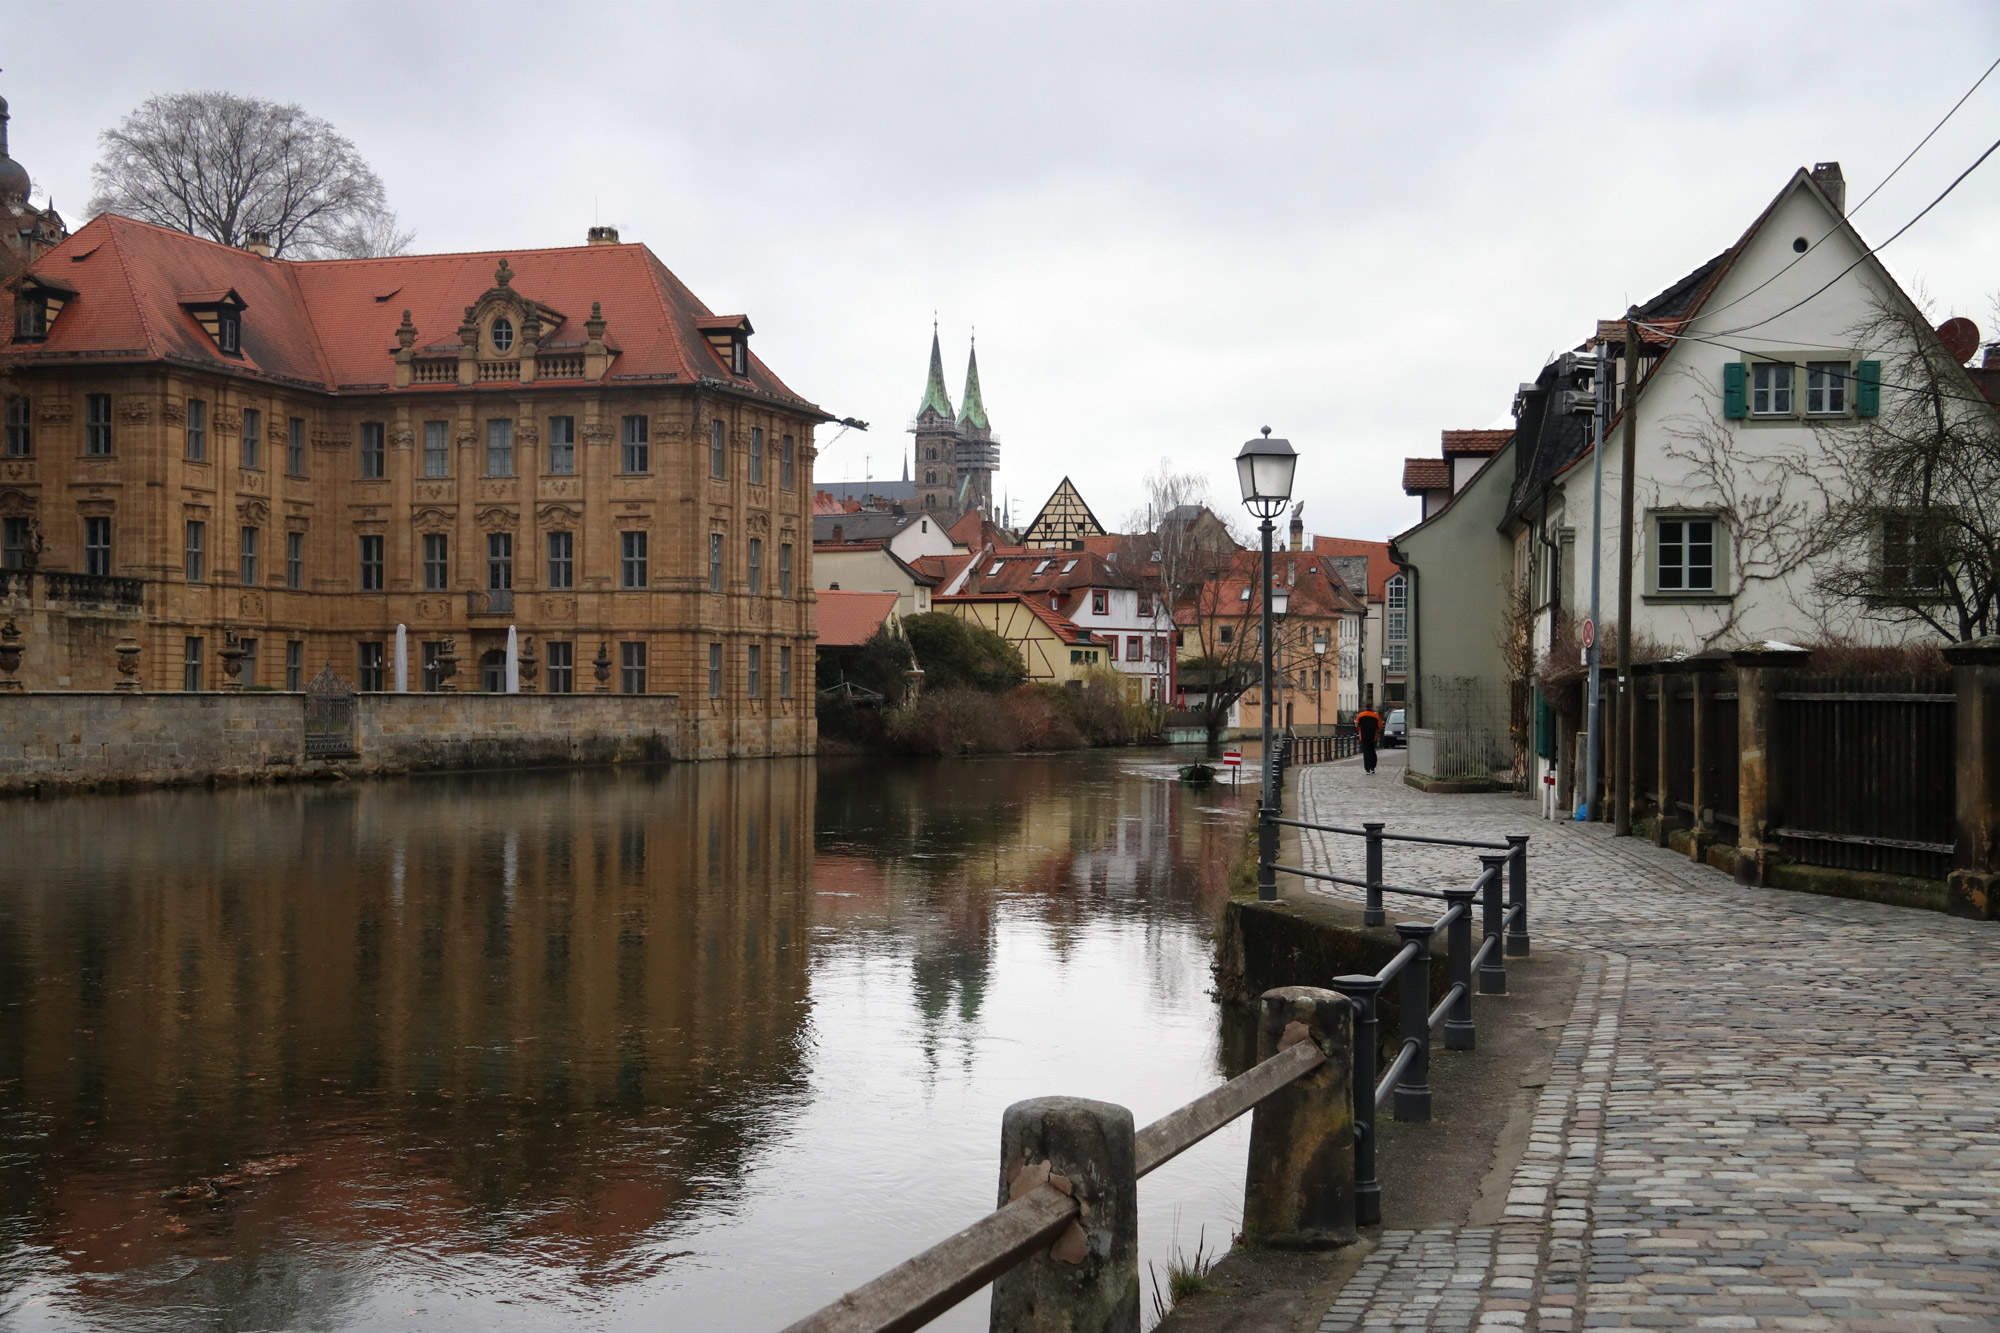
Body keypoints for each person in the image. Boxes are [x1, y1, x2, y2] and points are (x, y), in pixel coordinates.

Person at [1354, 705, 1383, 775]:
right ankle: (1372, 767)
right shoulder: (1376, 716)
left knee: (1366, 753)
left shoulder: (1360, 715)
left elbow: (1356, 725)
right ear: (1372, 708)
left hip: (1363, 737)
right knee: (1372, 752)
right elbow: (1380, 726)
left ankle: (1367, 769)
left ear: (1365, 708)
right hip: (1373, 737)